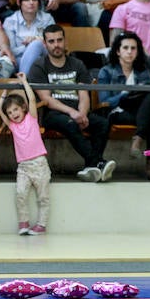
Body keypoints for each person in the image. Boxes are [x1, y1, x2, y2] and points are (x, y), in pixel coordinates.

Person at [29, 24, 114, 182]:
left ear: (65, 41)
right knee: (70, 123)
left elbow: (83, 94)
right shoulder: (39, 66)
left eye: (59, 40)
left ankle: (90, 167)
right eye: (52, 41)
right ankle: (98, 163)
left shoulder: (77, 64)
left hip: (77, 111)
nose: (56, 45)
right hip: (53, 114)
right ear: (45, 44)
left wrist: (82, 113)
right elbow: (46, 99)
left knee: (102, 123)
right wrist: (72, 113)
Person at [97, 31, 150, 177]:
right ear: (117, 51)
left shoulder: (142, 71)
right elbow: (105, 101)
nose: (129, 52)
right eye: (125, 48)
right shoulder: (106, 71)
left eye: (133, 48)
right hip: (119, 111)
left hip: (140, 112)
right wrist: (126, 94)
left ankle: (139, 137)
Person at [0, 72, 50, 235]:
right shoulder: (13, 126)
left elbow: (32, 99)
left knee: (43, 198)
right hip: (24, 167)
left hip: (39, 163)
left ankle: (41, 225)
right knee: (20, 193)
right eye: (10, 112)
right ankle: (24, 223)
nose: (13, 114)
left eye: (15, 109)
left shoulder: (31, 118)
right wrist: (5, 92)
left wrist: (24, 82)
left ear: (23, 108)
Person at [3, 0, 55, 75]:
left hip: (44, 60)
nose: (31, 3)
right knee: (35, 46)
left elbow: (53, 45)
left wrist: (35, 42)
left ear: (38, 2)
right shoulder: (10, 22)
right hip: (18, 61)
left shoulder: (47, 19)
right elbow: (11, 51)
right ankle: (26, 80)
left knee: (37, 44)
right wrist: (28, 47)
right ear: (19, 2)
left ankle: (23, 82)